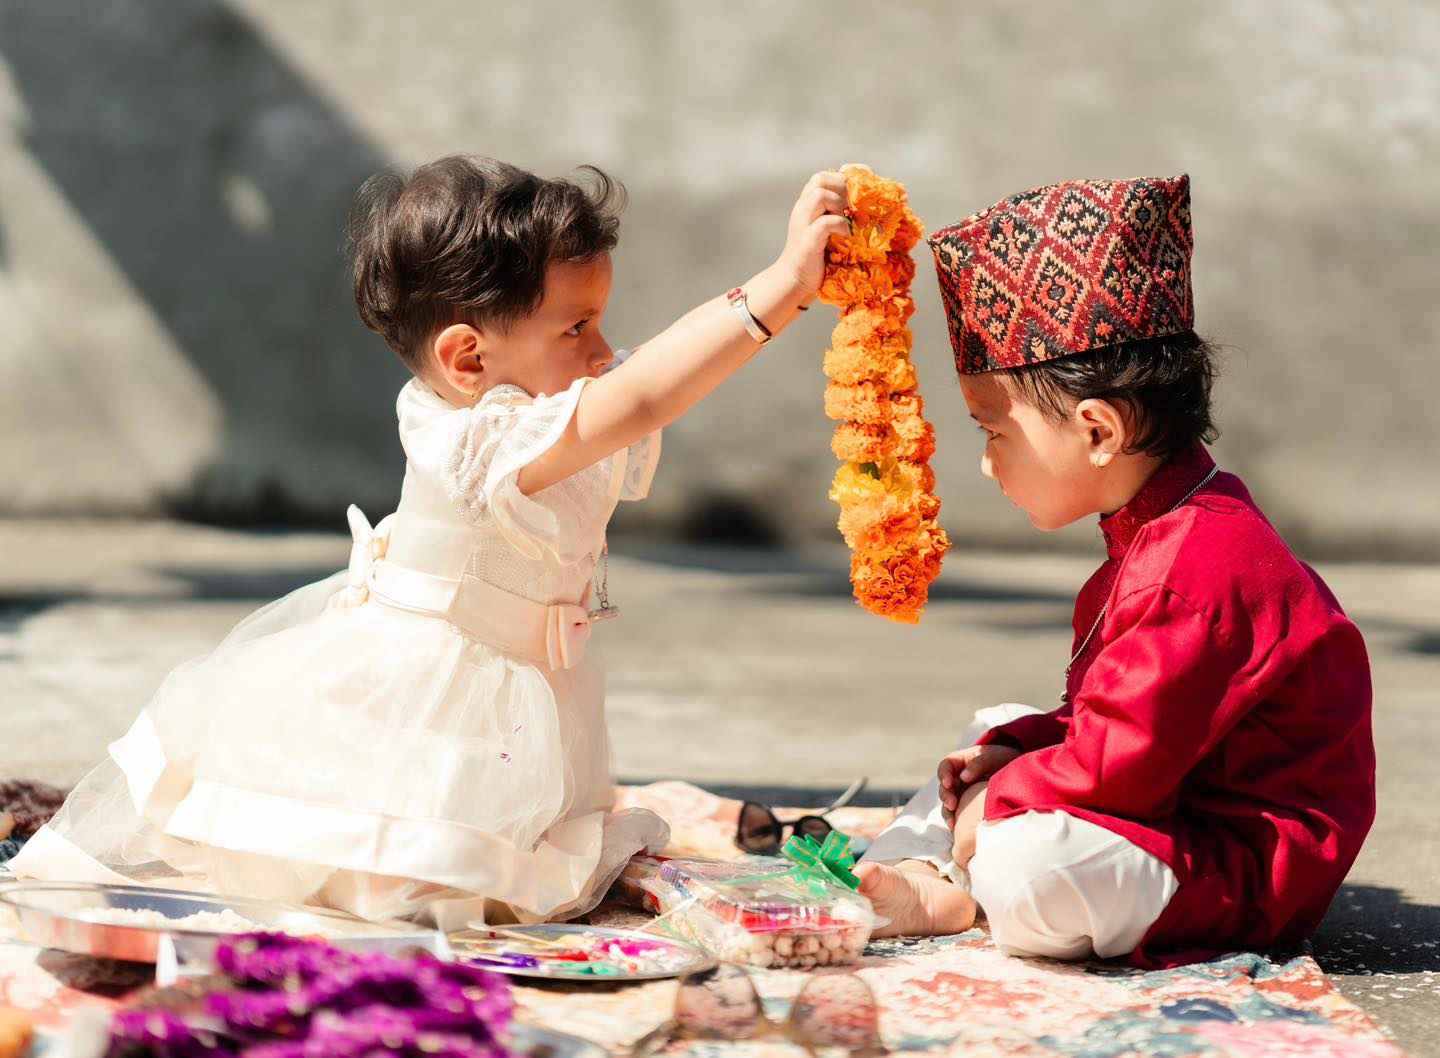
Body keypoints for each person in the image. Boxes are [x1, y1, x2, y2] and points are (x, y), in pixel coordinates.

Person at [11, 156, 850, 930]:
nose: (602, 351)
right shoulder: (480, 436)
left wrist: (794, 283)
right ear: (467, 357)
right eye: (578, 326)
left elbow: (648, 375)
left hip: (515, 688)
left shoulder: (538, 396)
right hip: (429, 685)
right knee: (401, 866)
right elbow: (639, 397)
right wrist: (781, 285)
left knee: (506, 846)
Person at [855, 174, 1376, 968]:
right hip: (1168, 800)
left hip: (1235, 862)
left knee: (1032, 864)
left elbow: (1120, 771)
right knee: (991, 730)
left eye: (994, 431)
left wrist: (1010, 795)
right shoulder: (1165, 529)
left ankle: (955, 876)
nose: (989, 464)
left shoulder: (1192, 565)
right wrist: (1021, 750)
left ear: (1097, 431)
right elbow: (1115, 722)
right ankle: (939, 873)